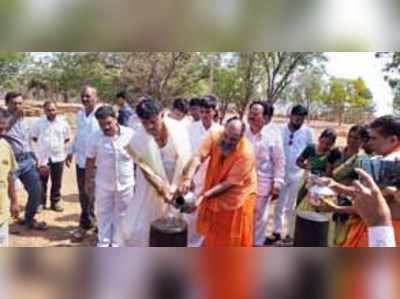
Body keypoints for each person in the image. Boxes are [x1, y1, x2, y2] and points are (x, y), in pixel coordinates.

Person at [121, 97, 192, 246]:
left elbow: (187, 160)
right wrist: (162, 189)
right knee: (140, 229)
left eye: (153, 121)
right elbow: (147, 172)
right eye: (144, 123)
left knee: (177, 228)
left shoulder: (178, 131)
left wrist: (184, 182)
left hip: (177, 187)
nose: (149, 127)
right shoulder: (138, 139)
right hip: (150, 189)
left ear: (162, 115)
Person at [180, 117, 257, 247]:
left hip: (238, 196)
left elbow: (228, 184)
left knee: (233, 236)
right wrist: (188, 179)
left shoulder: (246, 153)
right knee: (214, 229)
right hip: (215, 189)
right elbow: (199, 156)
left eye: (233, 139)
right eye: (226, 136)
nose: (227, 141)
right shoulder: (215, 136)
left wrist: (203, 197)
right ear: (223, 130)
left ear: (241, 138)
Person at [85, 106, 135, 247]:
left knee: (122, 215)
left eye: (109, 123)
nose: (106, 127)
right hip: (103, 184)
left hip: (126, 184)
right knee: (103, 215)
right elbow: (90, 160)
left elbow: (139, 158)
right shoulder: (94, 138)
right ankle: (103, 243)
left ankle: (117, 243)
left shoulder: (130, 135)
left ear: (116, 119)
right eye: (102, 124)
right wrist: (88, 181)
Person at [267, 105, 314, 245]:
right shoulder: (279, 129)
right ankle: (276, 231)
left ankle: (290, 233)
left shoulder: (308, 132)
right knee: (279, 204)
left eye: (302, 117)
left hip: (297, 174)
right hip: (281, 173)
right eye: (296, 115)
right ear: (290, 115)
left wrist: (308, 170)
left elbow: (311, 152)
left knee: (292, 206)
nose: (298, 119)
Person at [245, 101, 285, 247]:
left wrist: (278, 182)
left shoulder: (272, 136)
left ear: (265, 118)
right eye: (250, 112)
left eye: (256, 114)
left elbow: (279, 160)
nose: (251, 116)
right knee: (243, 215)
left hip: (263, 183)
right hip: (241, 183)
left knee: (259, 217)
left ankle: (256, 245)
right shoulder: (242, 132)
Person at [5, 92, 47, 231]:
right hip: (10, 163)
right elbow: (3, 128)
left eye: (20, 103)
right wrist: (14, 117)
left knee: (36, 190)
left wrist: (34, 157)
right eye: (14, 103)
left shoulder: (23, 120)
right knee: (5, 193)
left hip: (27, 160)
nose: (17, 106)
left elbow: (26, 140)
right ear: (7, 104)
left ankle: (29, 219)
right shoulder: (3, 117)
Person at [66, 85, 101, 241]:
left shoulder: (101, 115)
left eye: (88, 96)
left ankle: (93, 225)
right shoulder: (80, 115)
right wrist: (70, 151)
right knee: (84, 195)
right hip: (81, 161)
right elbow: (79, 135)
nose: (85, 99)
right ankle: (88, 223)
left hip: (97, 163)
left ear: (96, 97)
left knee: (96, 195)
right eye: (83, 96)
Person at [187, 96, 222, 247]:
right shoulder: (190, 129)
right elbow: (186, 155)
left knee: (207, 215)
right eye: (202, 111)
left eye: (208, 111)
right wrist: (188, 178)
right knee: (189, 214)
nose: (205, 115)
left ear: (215, 112)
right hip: (193, 179)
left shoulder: (221, 131)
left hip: (212, 179)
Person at [31, 101, 71, 212]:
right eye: (49, 110)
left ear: (57, 110)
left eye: (53, 110)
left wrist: (65, 151)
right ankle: (40, 203)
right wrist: (39, 151)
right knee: (41, 181)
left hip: (58, 157)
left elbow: (67, 139)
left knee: (56, 181)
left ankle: (55, 202)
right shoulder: (38, 123)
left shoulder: (63, 123)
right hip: (43, 157)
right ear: (44, 110)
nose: (51, 112)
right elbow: (34, 137)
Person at [0, 108, 20, 246]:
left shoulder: (5, 146)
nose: (4, 130)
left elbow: (9, 176)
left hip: (1, 214)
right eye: (0, 126)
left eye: (5, 126)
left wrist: (14, 201)